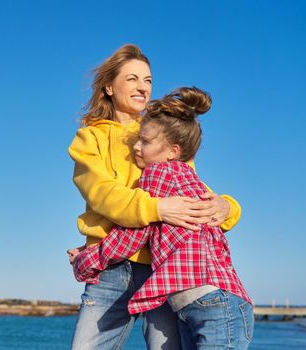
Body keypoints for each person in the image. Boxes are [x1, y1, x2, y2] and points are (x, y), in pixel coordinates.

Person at [68, 44, 242, 350]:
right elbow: (102, 194)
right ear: (109, 87)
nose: (142, 87)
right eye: (132, 79)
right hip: (109, 269)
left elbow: (192, 189)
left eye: (148, 80)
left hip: (162, 268)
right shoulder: (90, 137)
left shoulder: (163, 133)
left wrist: (227, 207)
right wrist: (158, 208)